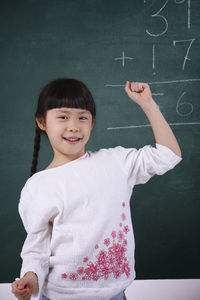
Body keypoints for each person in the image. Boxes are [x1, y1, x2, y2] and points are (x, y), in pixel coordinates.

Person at [11, 78, 182, 300]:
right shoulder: (38, 186)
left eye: (83, 118)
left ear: (91, 123)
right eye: (63, 117)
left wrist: (148, 104)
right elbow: (37, 249)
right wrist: (30, 279)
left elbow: (168, 156)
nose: (73, 126)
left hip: (115, 293)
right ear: (42, 122)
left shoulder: (116, 162)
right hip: (60, 296)